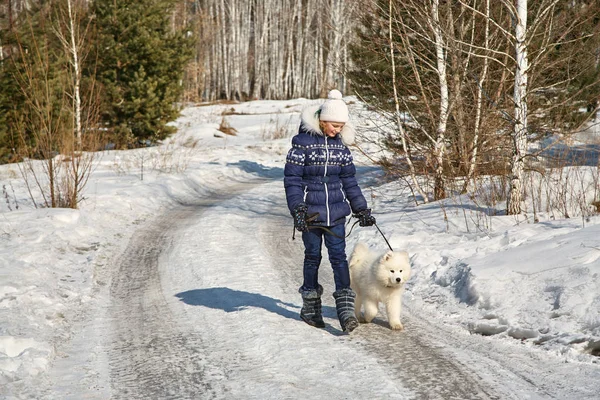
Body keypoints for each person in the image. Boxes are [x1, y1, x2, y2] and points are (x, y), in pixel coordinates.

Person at [284, 89, 376, 332]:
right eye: (335, 125)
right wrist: (298, 209)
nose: (338, 130)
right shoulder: (301, 144)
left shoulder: (341, 149)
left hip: (335, 212)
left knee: (338, 258)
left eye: (341, 126)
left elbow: (349, 182)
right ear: (322, 120)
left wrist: (361, 209)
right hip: (310, 212)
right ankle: (310, 306)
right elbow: (292, 181)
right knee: (312, 257)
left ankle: (346, 310)